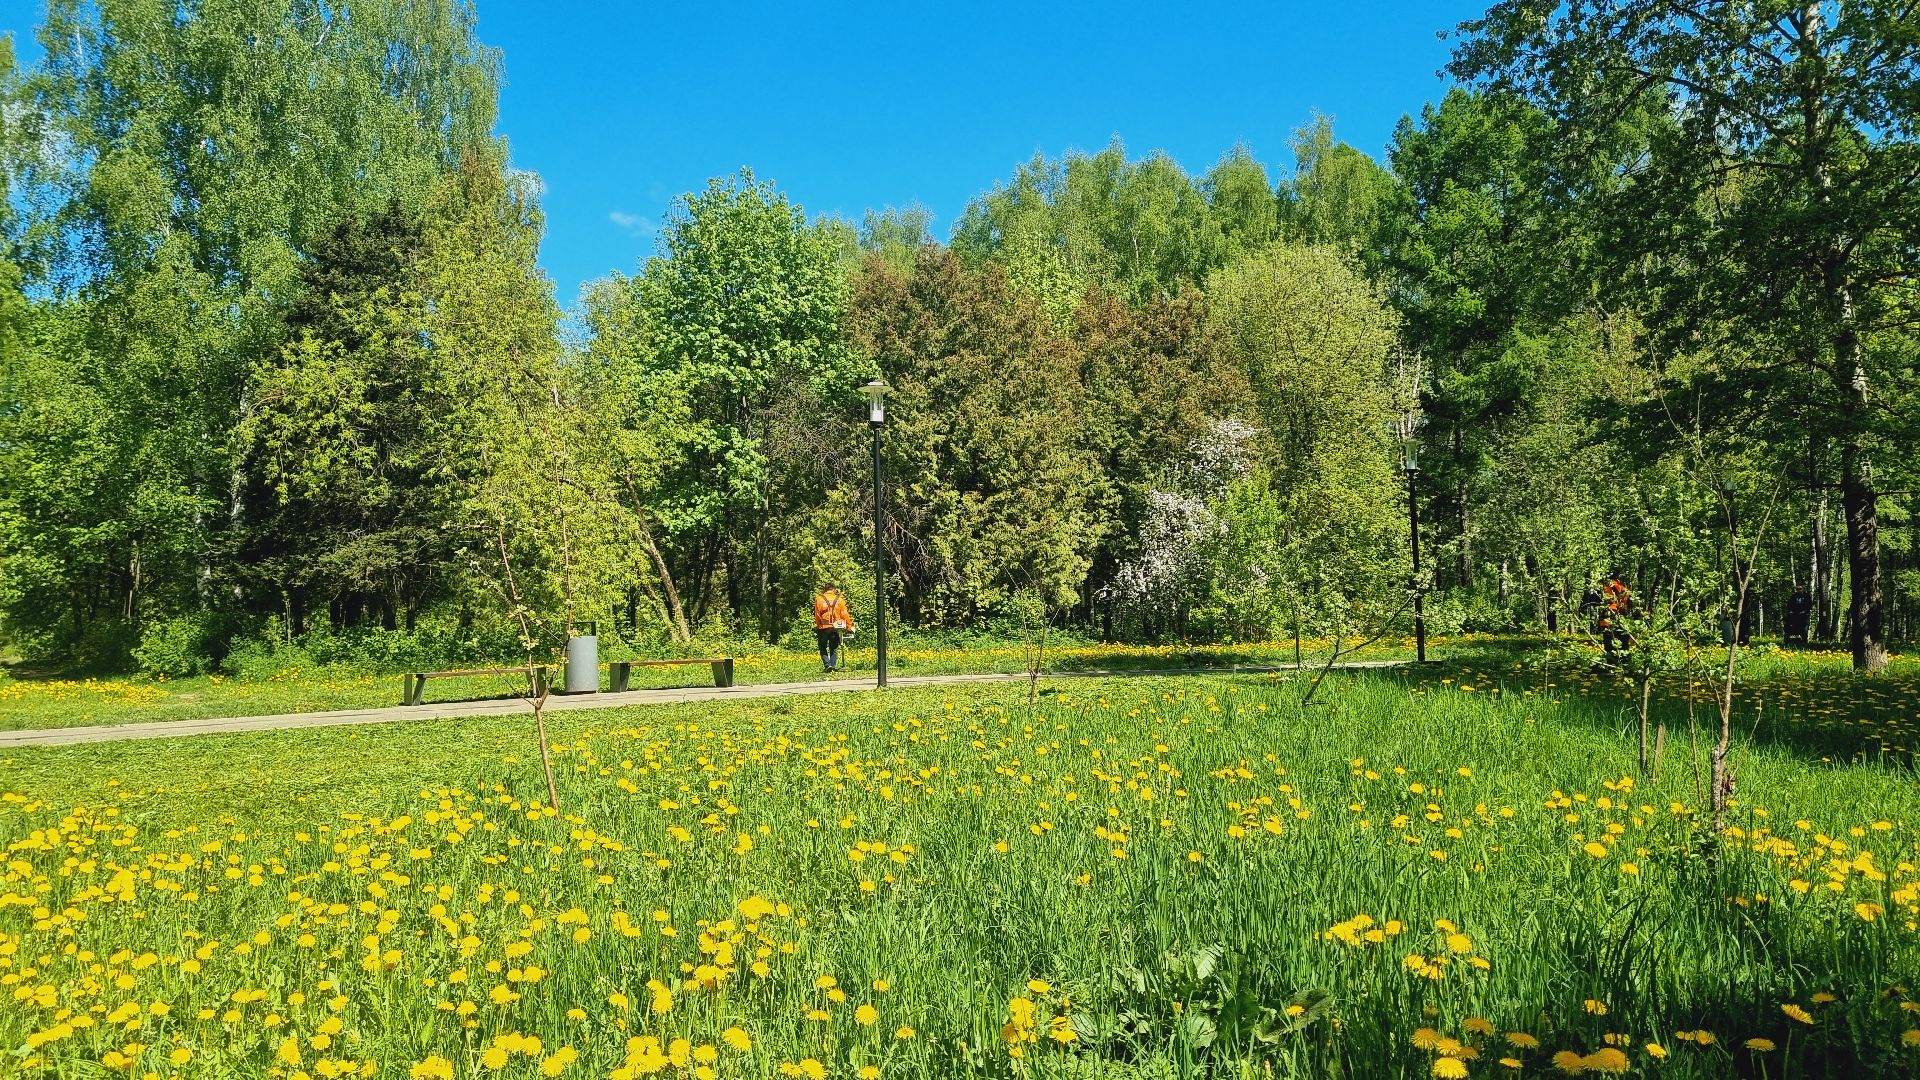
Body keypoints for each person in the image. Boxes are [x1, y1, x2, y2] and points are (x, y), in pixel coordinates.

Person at [812, 585, 856, 674]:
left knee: (822, 647)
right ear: (834, 590)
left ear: (825, 590)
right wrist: (849, 626)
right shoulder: (839, 600)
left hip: (823, 627)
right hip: (836, 627)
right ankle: (832, 666)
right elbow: (844, 614)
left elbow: (817, 614)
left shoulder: (819, 599)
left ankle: (827, 665)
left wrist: (818, 625)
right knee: (834, 648)